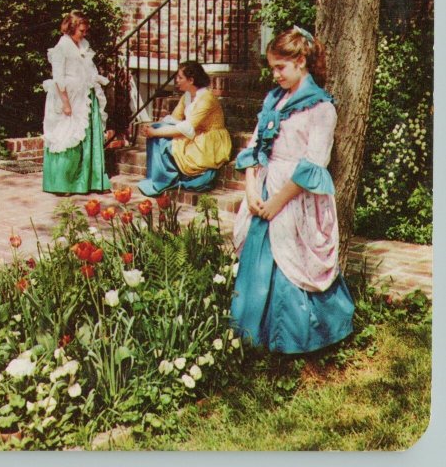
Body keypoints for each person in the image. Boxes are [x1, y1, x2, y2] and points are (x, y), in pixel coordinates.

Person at [230, 26, 354, 354]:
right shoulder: (274, 99)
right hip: (266, 188)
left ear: (301, 61)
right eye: (272, 67)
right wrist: (251, 188)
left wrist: (277, 202)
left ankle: (295, 338)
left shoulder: (321, 108)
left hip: (295, 194)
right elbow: (255, 146)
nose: (275, 75)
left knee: (291, 255)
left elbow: (315, 163)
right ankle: (253, 334)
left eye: (280, 67)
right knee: (260, 255)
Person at [138, 61, 232, 197]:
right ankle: (157, 179)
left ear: (191, 80)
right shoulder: (187, 96)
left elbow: (187, 127)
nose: (177, 80)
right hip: (195, 133)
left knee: (163, 140)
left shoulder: (206, 98)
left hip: (208, 140)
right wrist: (153, 127)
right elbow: (174, 119)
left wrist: (155, 132)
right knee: (157, 130)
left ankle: (164, 181)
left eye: (180, 78)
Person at [42, 10, 111, 194]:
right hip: (69, 98)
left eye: (85, 30)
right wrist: (65, 103)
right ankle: (64, 183)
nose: (84, 34)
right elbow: (58, 78)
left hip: (84, 96)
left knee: (85, 138)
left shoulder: (82, 45)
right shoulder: (61, 48)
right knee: (67, 137)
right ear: (71, 28)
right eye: (81, 30)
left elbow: (87, 69)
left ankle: (90, 181)